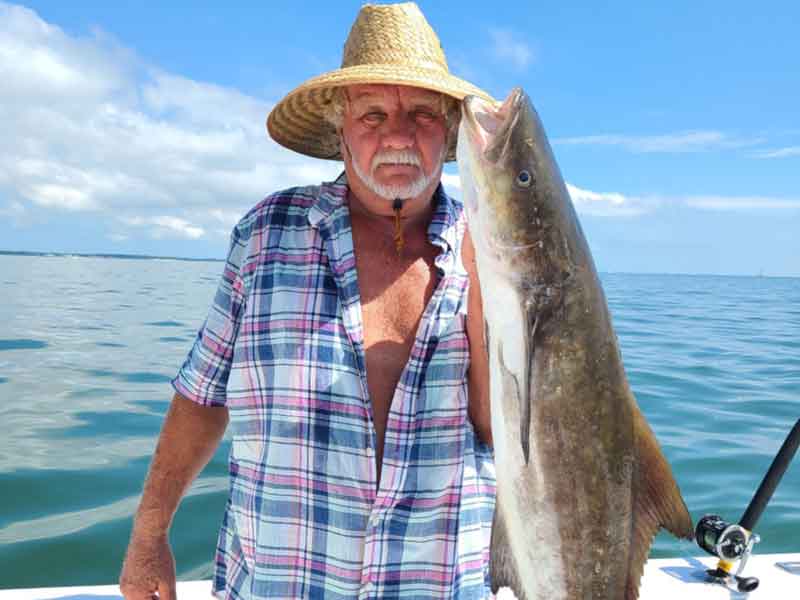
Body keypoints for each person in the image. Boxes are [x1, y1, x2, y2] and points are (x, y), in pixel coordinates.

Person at [120, 3, 496, 599]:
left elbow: (500, 428)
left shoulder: (498, 249)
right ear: (340, 127)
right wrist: (147, 538)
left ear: (448, 129)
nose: (398, 134)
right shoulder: (264, 234)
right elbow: (200, 397)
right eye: (374, 113)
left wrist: (489, 277)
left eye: (421, 113)